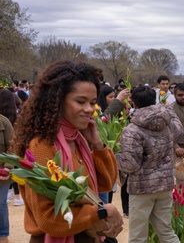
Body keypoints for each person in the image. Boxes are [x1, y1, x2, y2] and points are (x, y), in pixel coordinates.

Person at [10, 61, 123, 242]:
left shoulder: (78, 139)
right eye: (81, 101)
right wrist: (100, 211)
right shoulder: (41, 145)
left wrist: (98, 145)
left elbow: (106, 183)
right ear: (57, 101)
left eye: (93, 102)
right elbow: (48, 218)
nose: (89, 109)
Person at [116, 85, 183, 243]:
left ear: (134, 104)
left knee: (138, 236)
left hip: (142, 188)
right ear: (154, 101)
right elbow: (179, 130)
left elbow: (131, 165)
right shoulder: (167, 123)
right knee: (166, 231)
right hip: (165, 184)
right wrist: (167, 109)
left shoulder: (132, 130)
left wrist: (115, 157)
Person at [0, 101, 14, 243]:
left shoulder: (4, 123)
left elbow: (12, 147)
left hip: (1, 175)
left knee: (0, 204)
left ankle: (3, 234)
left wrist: (8, 168)